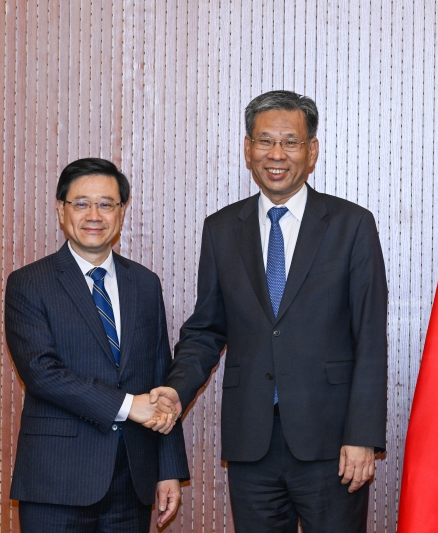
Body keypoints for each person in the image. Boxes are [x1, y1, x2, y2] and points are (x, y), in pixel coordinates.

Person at [150, 90, 388, 532]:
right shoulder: (222, 228)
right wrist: (176, 390)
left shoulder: (351, 225)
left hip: (332, 443)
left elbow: (370, 337)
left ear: (311, 151)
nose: (276, 154)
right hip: (251, 441)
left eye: (290, 142)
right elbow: (206, 329)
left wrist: (362, 436)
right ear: (248, 148)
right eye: (265, 141)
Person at [5, 158, 189, 532]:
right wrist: (129, 406)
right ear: (62, 210)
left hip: (132, 480)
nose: (94, 215)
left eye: (106, 204)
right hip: (57, 480)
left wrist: (168, 468)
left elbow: (160, 376)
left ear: (121, 211)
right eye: (82, 203)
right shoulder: (29, 283)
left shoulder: (145, 283)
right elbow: (41, 373)